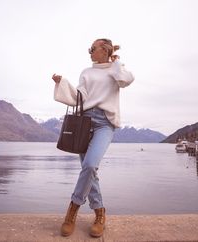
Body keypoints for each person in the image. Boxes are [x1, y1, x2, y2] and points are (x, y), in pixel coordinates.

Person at [52, 38, 135, 237]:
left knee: (90, 165)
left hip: (105, 123)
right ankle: (99, 213)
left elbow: (126, 80)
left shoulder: (116, 70)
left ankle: (72, 209)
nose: (90, 52)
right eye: (89, 49)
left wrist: (115, 62)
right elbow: (79, 98)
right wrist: (62, 83)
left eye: (93, 49)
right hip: (85, 122)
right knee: (90, 170)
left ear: (104, 50)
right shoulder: (86, 72)